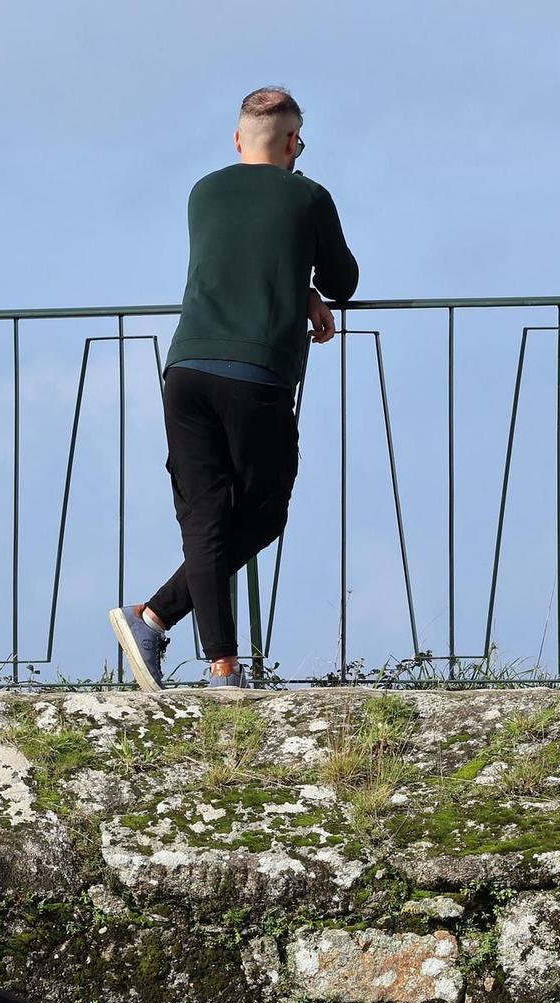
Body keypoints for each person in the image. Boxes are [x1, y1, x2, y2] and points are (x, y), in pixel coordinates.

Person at [110, 86, 359, 690]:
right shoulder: (308, 195)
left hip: (186, 369)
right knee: (263, 513)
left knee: (204, 517)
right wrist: (308, 290)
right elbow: (344, 281)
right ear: (294, 142)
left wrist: (293, 285)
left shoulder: (204, 191)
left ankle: (204, 656)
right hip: (257, 373)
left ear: (237, 139)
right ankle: (161, 620)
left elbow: (236, 258)